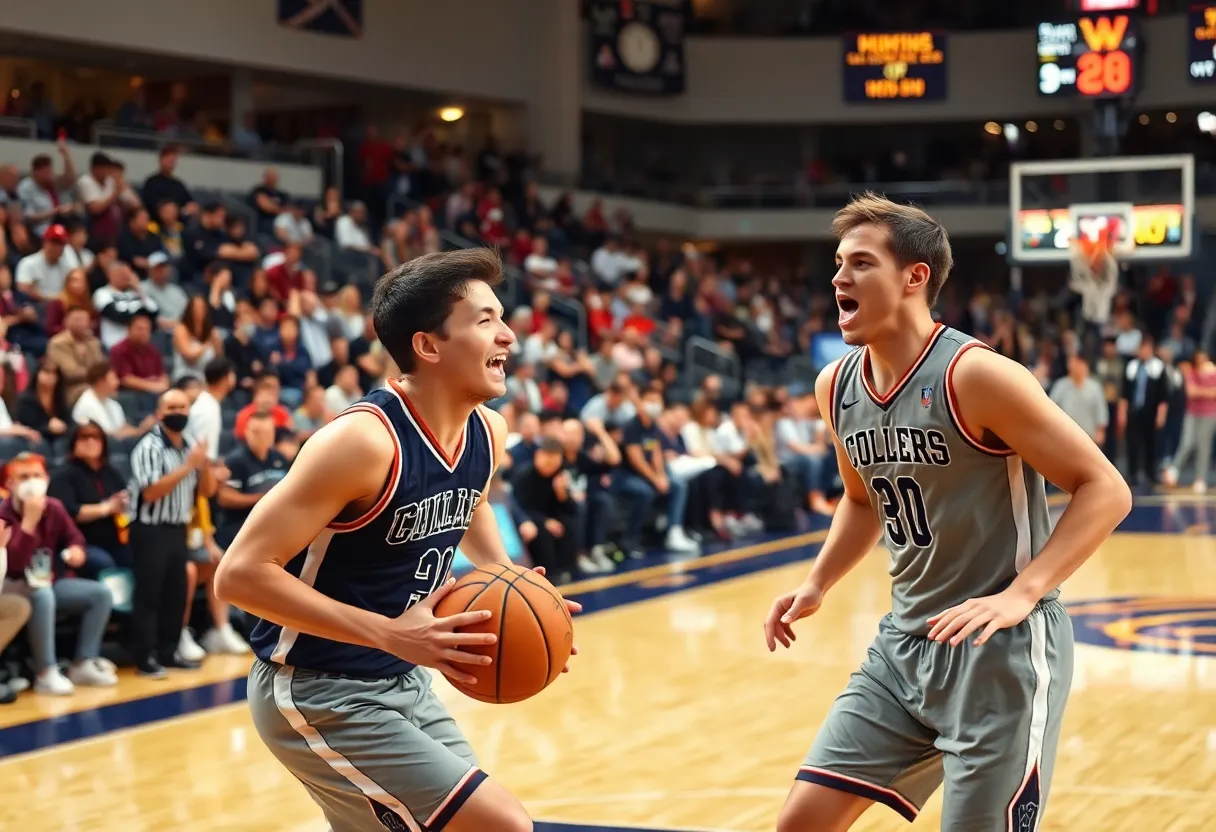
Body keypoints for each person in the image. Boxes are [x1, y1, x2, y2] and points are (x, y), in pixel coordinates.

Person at [763, 193, 1132, 832]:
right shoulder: (837, 385)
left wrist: (1024, 594)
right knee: (801, 823)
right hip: (904, 646)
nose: (838, 279)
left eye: (860, 263)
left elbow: (1105, 488)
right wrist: (817, 582)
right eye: (838, 263)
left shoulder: (978, 375)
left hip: (1001, 652)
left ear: (915, 277)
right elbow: (860, 499)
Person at [214, 248, 581, 832]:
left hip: (402, 678)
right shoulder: (361, 442)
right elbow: (238, 575)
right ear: (428, 346)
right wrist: (390, 634)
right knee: (500, 825)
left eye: (502, 318)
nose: (509, 335)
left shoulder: (489, 430)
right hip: (314, 689)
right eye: (485, 320)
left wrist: (511, 580)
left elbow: (473, 498)